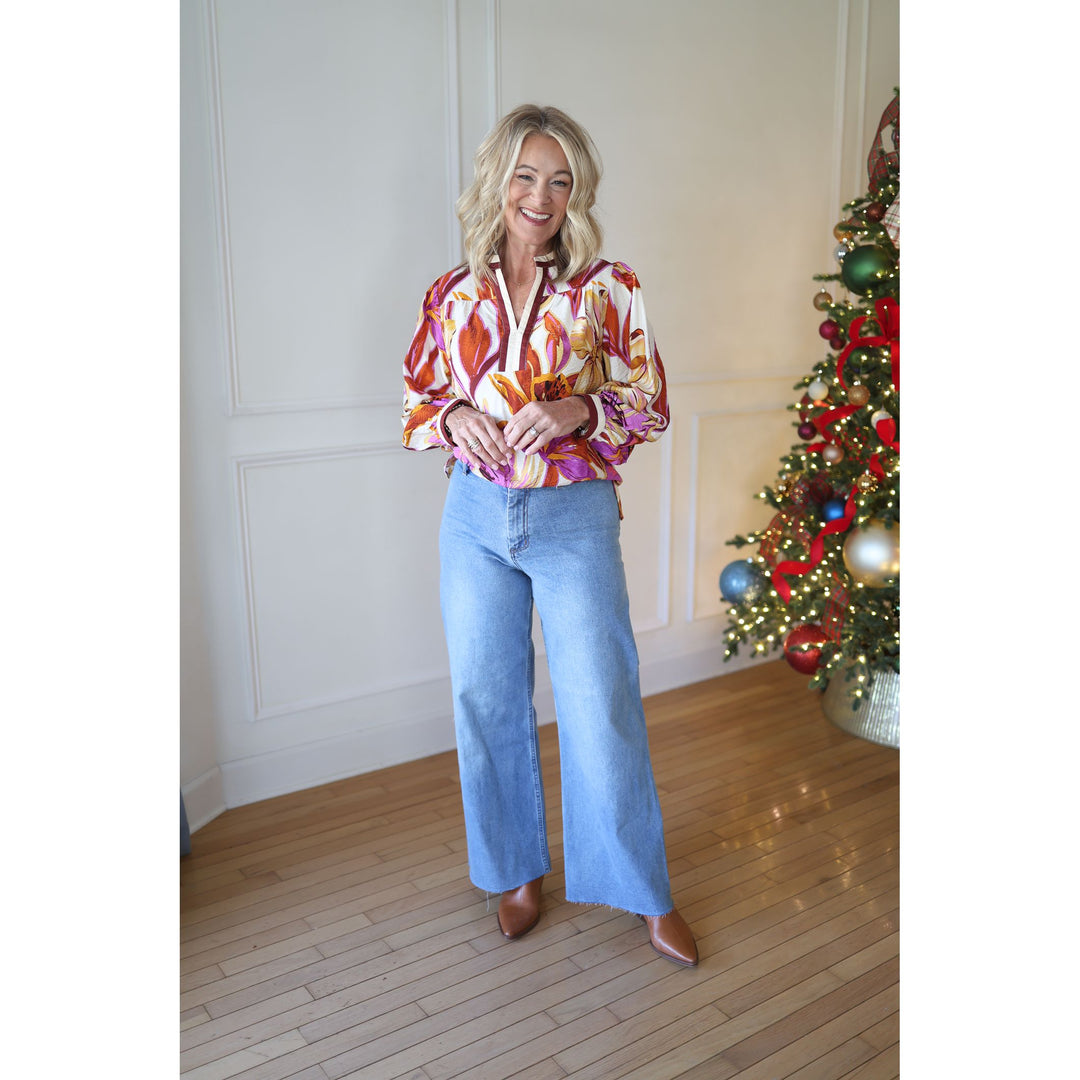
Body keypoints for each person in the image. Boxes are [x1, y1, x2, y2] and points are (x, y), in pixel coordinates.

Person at [401, 104, 697, 967]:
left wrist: (578, 408)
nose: (541, 196)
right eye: (526, 176)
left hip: (572, 517)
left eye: (560, 181)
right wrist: (452, 417)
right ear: (498, 182)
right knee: (486, 699)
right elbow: (417, 401)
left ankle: (643, 891)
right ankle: (517, 873)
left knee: (600, 703)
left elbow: (650, 402)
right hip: (473, 517)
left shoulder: (608, 287)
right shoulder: (451, 294)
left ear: (577, 193)